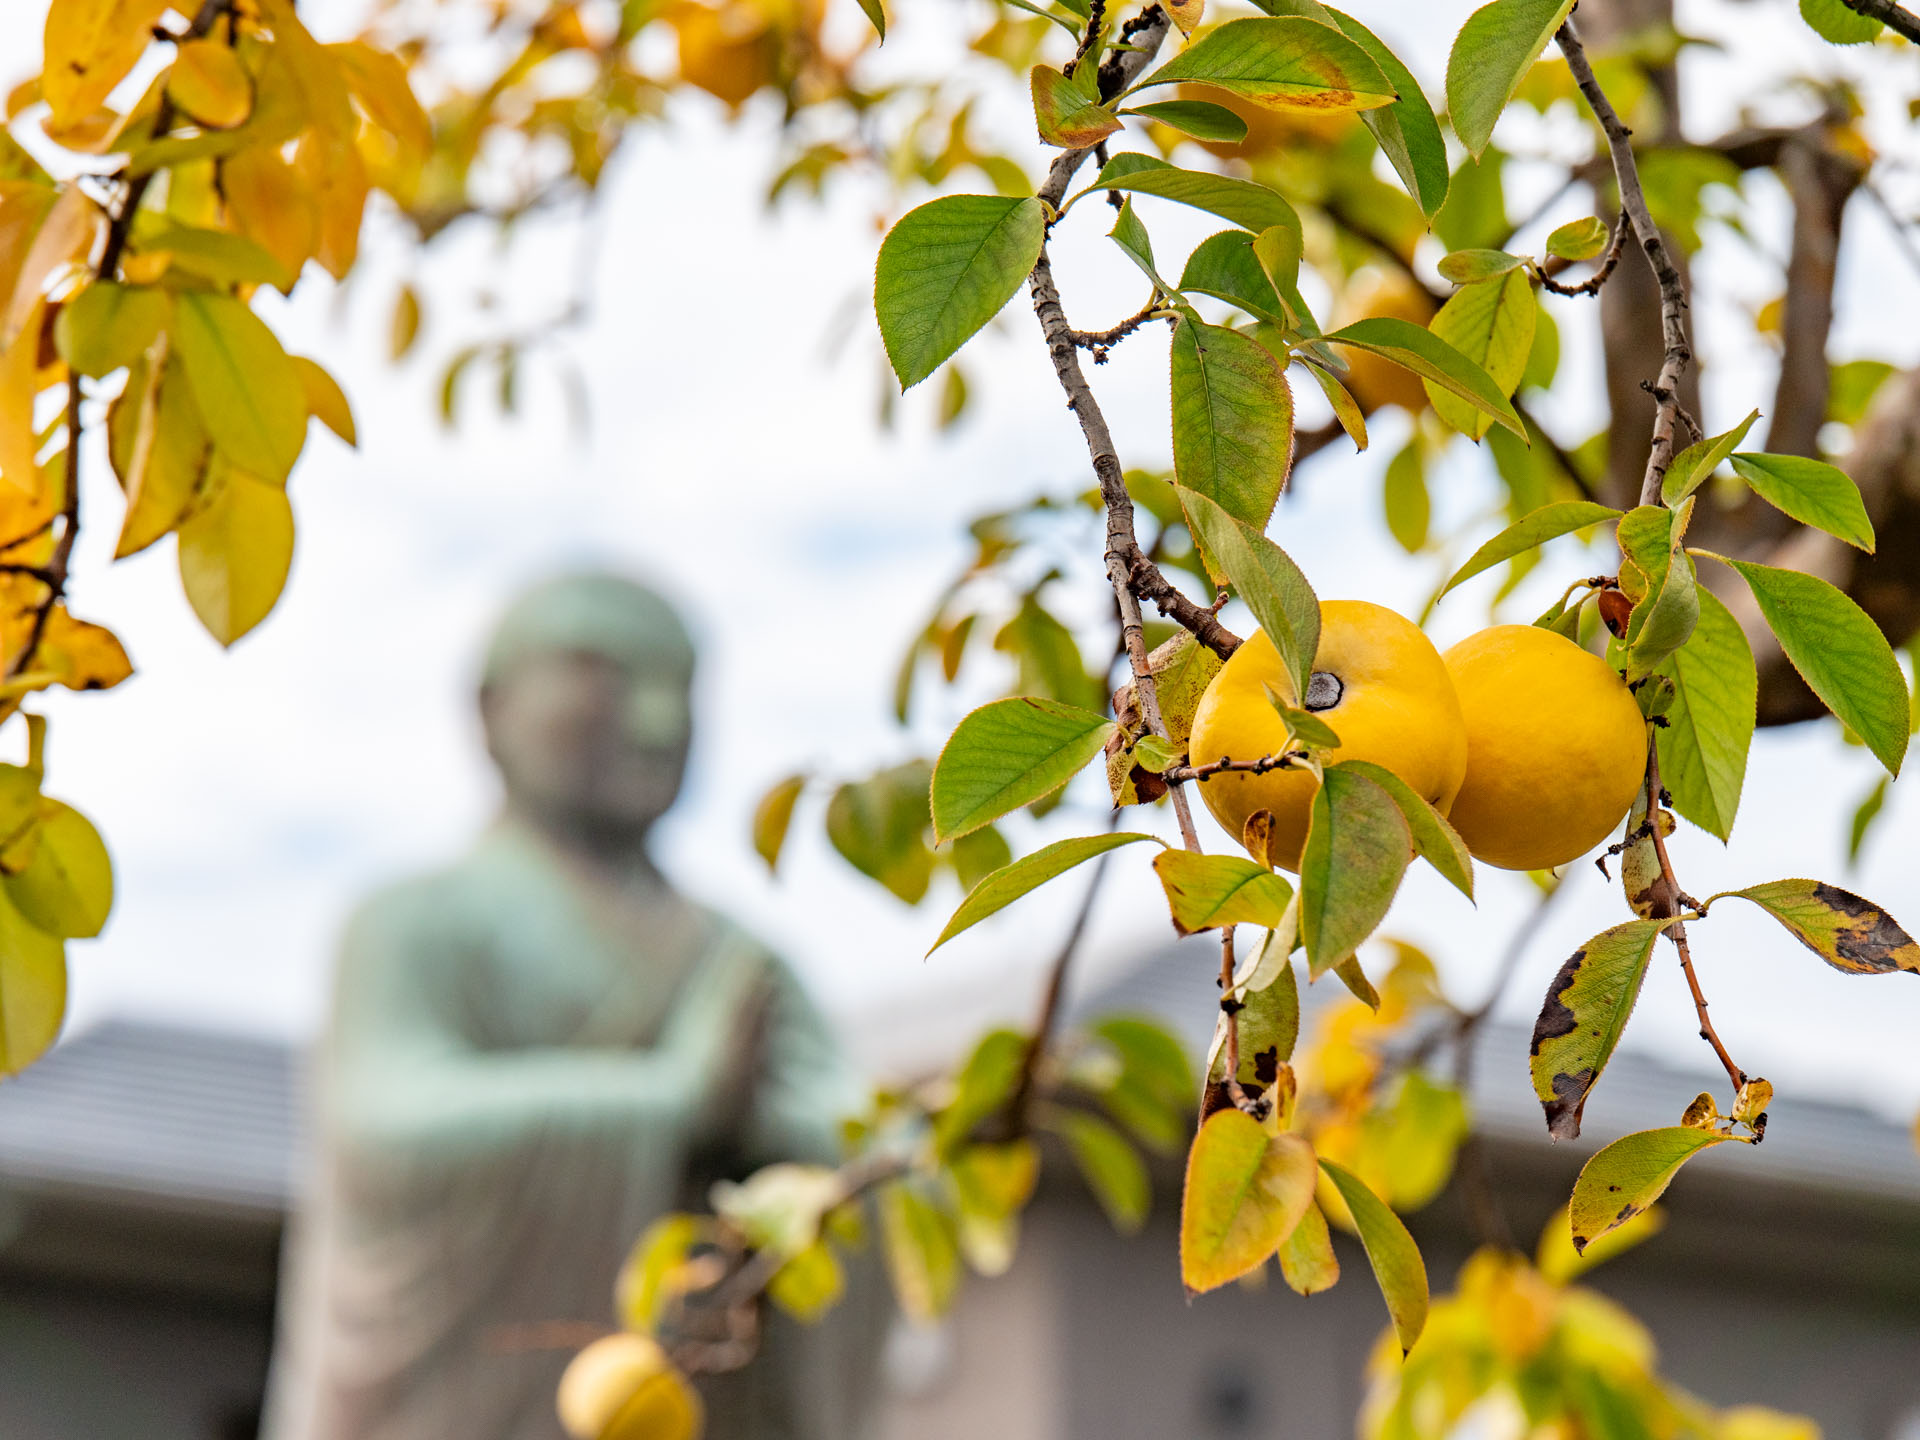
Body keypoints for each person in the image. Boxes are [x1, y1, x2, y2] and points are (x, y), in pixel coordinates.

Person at [264, 571, 882, 1440]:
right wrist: (673, 1101)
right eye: (605, 678)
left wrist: (775, 1138)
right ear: (491, 706)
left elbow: (858, 1151)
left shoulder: (740, 965)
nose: (656, 721)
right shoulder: (413, 926)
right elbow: (382, 1132)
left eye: (680, 689)